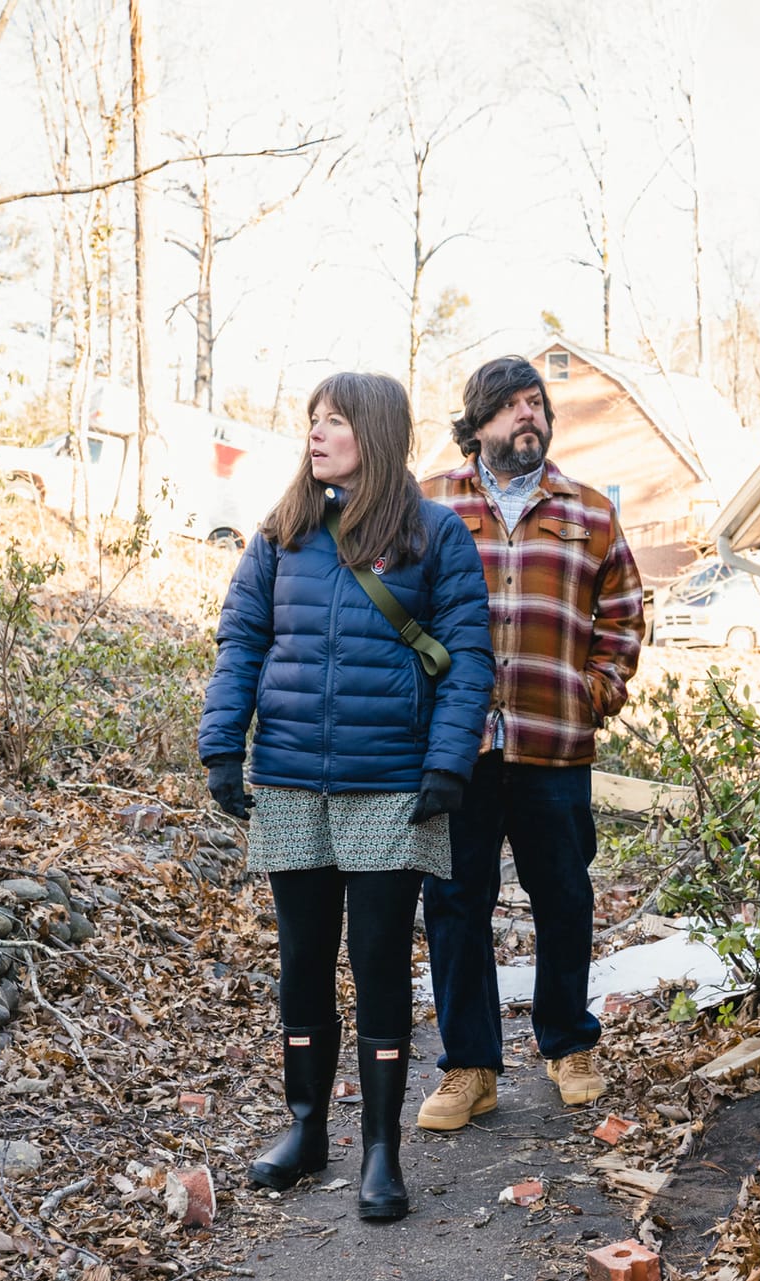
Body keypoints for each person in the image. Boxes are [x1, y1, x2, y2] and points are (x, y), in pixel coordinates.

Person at [198, 371, 492, 1222]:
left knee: (376, 968)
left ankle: (381, 1152)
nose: (317, 433)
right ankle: (305, 1127)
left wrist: (447, 763)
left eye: (334, 420)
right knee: (301, 967)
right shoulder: (282, 533)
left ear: (375, 430)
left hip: (391, 786)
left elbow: (470, 658)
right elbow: (242, 639)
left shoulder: (434, 536)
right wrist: (224, 744)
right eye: (313, 420)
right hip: (291, 778)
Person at [414, 355, 644, 1132]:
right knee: (454, 901)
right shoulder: (429, 504)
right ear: (477, 423)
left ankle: (569, 1044)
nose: (530, 416)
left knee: (564, 896)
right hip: (458, 747)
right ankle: (470, 1066)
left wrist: (595, 691)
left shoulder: (588, 512)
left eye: (538, 404)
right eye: (512, 406)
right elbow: (392, 608)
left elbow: (623, 615)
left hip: (555, 741)